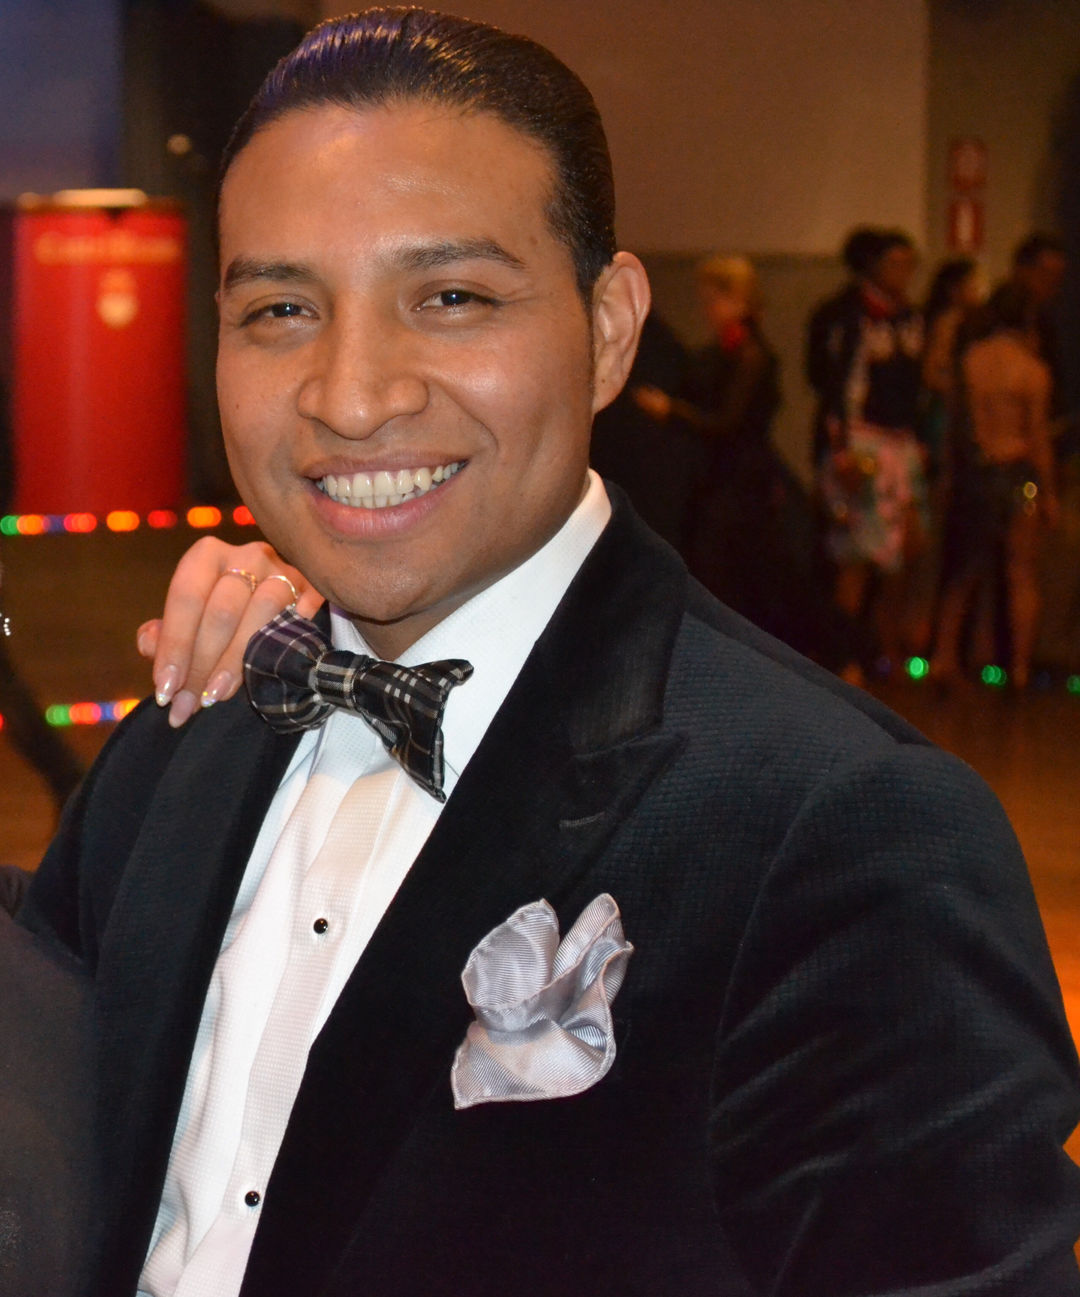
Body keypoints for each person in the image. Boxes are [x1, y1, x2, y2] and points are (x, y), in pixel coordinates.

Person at [10, 10, 1080, 1297]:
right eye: (282, 308)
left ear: (611, 327)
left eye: (451, 298)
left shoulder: (838, 833)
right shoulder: (184, 742)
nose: (352, 395)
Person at [807, 226, 930, 667]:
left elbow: (918, 385)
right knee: (856, 551)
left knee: (904, 548)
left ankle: (884, 651)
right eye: (894, 263)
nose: (903, 273)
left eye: (909, 264)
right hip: (860, 441)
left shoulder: (911, 318)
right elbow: (829, 383)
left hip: (901, 443)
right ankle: (845, 657)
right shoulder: (844, 315)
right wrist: (842, 451)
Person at [932, 285, 1060, 688]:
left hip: (977, 473)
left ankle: (944, 657)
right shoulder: (1032, 370)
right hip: (1019, 475)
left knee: (964, 572)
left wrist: (949, 476)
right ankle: (1019, 668)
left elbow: (954, 425)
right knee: (1021, 572)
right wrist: (1049, 493)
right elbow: (1037, 437)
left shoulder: (972, 360)